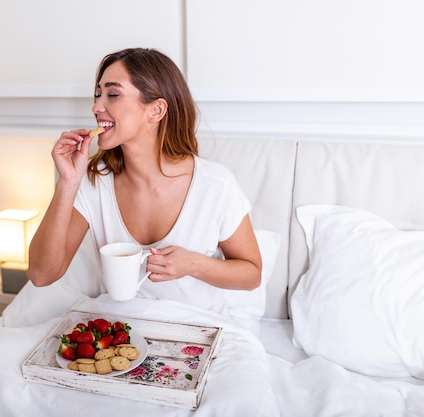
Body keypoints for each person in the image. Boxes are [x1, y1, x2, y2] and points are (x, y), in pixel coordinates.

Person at [28, 48, 261, 312]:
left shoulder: (215, 186)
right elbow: (41, 275)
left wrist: (194, 264)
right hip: (122, 332)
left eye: (112, 94)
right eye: (97, 94)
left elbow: (252, 275)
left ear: (156, 110)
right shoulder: (94, 182)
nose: (96, 107)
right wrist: (67, 183)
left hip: (197, 330)